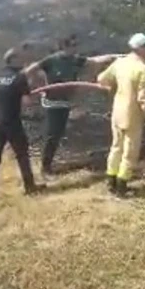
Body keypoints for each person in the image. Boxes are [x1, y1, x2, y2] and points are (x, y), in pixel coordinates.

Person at [22, 35, 123, 182]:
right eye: (72, 46)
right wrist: (26, 87)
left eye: (76, 46)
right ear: (64, 47)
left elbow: (94, 61)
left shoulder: (75, 60)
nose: (75, 49)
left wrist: (115, 57)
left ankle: (48, 164)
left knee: (58, 133)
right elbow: (30, 70)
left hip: (65, 102)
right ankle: (45, 168)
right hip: (52, 102)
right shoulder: (51, 60)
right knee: (53, 134)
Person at [96, 33, 145, 197]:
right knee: (130, 151)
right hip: (132, 115)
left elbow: (101, 79)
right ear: (141, 49)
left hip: (117, 112)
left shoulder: (120, 63)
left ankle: (111, 181)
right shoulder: (143, 70)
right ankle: (122, 186)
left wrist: (112, 87)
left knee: (116, 147)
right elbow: (143, 101)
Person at [0, 48, 42, 199]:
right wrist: (32, 92)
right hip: (12, 122)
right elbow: (27, 102)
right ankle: (30, 186)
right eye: (20, 59)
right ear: (13, 60)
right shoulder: (19, 77)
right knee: (22, 154)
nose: (23, 62)